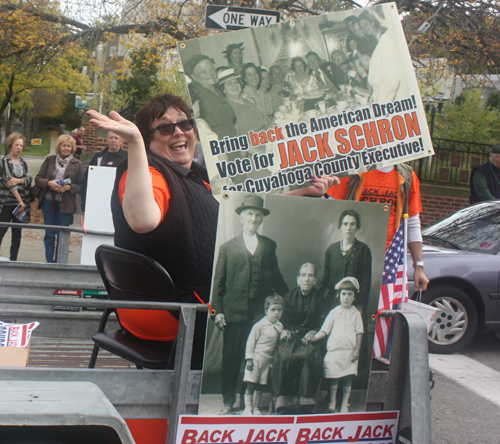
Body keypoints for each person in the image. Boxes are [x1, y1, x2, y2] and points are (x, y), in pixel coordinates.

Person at [87, 94, 219, 369]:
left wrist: (304, 192)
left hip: (166, 309)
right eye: (165, 128)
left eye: (185, 124)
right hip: (175, 314)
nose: (179, 132)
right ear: (149, 140)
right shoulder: (148, 174)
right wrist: (134, 144)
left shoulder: (200, 175)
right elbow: (142, 220)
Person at [212, 194, 289, 414]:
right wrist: (217, 312)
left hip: (259, 317)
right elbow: (218, 283)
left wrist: (292, 299)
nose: (253, 219)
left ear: (262, 219)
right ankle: (228, 402)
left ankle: (247, 403)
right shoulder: (228, 247)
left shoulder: (268, 246)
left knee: (254, 359)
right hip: (234, 313)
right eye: (249, 215)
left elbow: (277, 278)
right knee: (231, 358)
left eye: (257, 215)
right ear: (241, 218)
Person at [327, 163, 429, 292]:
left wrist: (418, 266)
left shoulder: (407, 176)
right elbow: (331, 213)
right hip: (352, 258)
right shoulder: (351, 169)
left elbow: (412, 223)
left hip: (389, 260)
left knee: (383, 311)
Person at [271, 262, 329, 414]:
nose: (307, 279)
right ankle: (283, 401)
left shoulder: (320, 299)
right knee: (283, 356)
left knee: (309, 356)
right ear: (298, 279)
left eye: (310, 276)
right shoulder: (288, 298)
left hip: (311, 337)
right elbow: (282, 321)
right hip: (292, 335)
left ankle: (306, 400)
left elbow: (324, 323)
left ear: (315, 280)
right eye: (303, 275)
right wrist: (285, 331)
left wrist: (315, 332)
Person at [305, 277, 363, 413]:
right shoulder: (334, 312)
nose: (346, 298)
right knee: (333, 379)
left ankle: (344, 404)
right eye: (343, 294)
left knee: (347, 379)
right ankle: (332, 403)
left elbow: (360, 333)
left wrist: (357, 351)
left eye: (350, 294)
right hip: (335, 352)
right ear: (339, 295)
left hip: (348, 352)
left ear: (354, 297)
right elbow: (324, 331)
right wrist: (313, 338)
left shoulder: (356, 314)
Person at [35, 135, 84, 263]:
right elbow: (38, 179)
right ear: (59, 146)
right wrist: (49, 183)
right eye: (64, 145)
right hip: (48, 201)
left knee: (62, 235)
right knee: (49, 234)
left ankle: (60, 263)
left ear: (72, 148)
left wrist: (67, 188)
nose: (66, 148)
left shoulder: (77, 164)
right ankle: (49, 263)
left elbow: (81, 186)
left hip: (66, 204)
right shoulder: (50, 160)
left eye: (69, 146)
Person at [318, 209, 372, 308]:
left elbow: (366, 281)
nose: (348, 228)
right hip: (333, 302)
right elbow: (326, 277)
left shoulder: (363, 250)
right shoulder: (332, 250)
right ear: (340, 227)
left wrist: (361, 306)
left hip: (354, 303)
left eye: (352, 224)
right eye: (345, 224)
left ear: (357, 228)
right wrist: (316, 297)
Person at [243, 295, 284, 415]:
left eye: (279, 310)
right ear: (266, 311)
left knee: (261, 385)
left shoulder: (279, 326)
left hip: (268, 360)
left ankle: (256, 407)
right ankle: (248, 407)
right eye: (273, 310)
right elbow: (250, 343)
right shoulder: (259, 326)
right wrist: (249, 359)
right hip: (256, 359)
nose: (276, 313)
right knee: (251, 384)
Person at [185, 54, 237, 139]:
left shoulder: (215, 89)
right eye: (204, 71)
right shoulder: (198, 97)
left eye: (212, 68)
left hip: (232, 139)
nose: (210, 73)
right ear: (194, 77)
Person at [0, 133, 33, 261]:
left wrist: (18, 181)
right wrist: (20, 201)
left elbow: (29, 179)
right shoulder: (5, 161)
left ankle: (14, 259)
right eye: (16, 145)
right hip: (8, 202)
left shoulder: (23, 162)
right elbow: (9, 182)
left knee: (17, 233)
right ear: (10, 146)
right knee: (2, 231)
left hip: (21, 205)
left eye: (21, 145)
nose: (19, 148)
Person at [80, 130, 128, 211]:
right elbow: (87, 180)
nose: (113, 140)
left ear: (122, 141)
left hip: (120, 202)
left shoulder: (127, 158)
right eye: (111, 137)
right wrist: (85, 204)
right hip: (99, 201)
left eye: (116, 138)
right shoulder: (99, 157)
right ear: (107, 140)